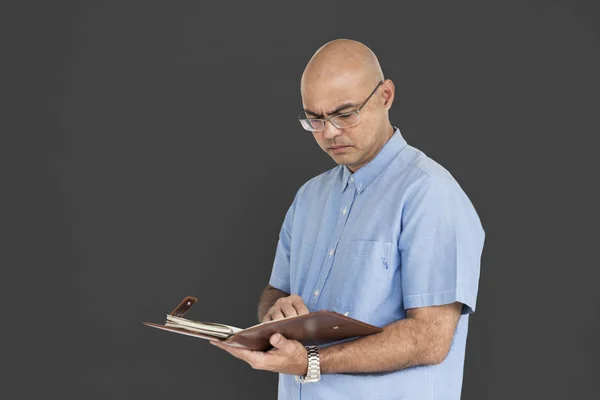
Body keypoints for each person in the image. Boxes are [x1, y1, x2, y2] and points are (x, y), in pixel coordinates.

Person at [210, 38, 485, 400]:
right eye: (315, 118)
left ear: (386, 95)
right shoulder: (310, 196)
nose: (329, 133)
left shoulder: (430, 194)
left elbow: (429, 339)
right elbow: (275, 290)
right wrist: (275, 312)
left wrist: (310, 361)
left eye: (344, 114)